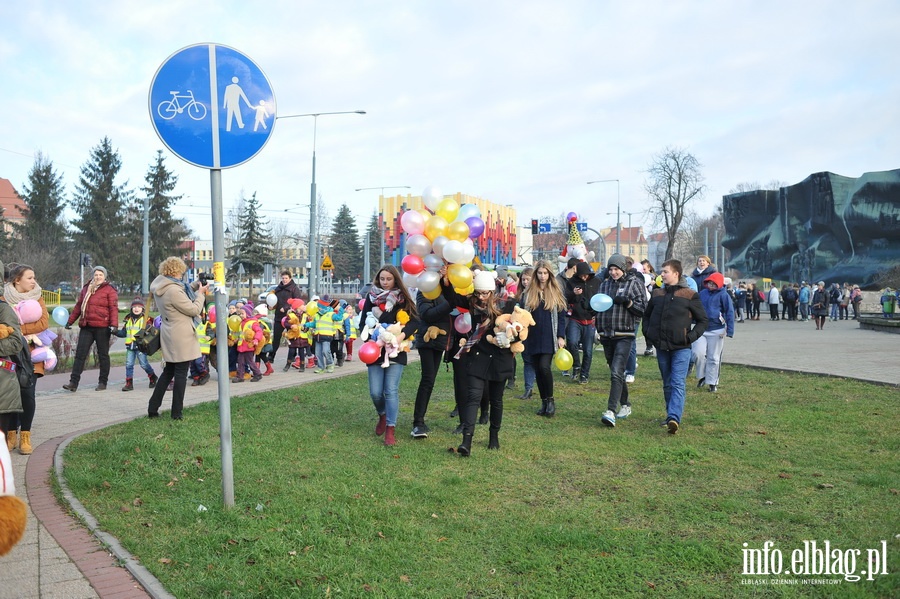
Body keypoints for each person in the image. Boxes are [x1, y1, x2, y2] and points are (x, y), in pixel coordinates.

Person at [442, 270, 517, 456]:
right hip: (478, 355)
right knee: (473, 397)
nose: (482, 297)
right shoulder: (471, 303)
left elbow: (520, 329)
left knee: (496, 399)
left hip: (500, 358)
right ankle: (466, 441)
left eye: (485, 293)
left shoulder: (507, 305)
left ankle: (494, 436)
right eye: (479, 293)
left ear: (493, 291)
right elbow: (452, 298)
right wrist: (446, 282)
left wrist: (510, 340)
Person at [642, 259, 708, 434]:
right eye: (662, 272)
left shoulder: (690, 295)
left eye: (665, 272)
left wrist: (690, 337)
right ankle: (670, 415)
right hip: (662, 347)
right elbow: (646, 316)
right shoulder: (657, 294)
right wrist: (649, 333)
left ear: (676, 274)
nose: (661, 274)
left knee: (678, 382)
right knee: (667, 384)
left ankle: (674, 418)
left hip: (682, 348)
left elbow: (703, 321)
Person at [357, 265, 418, 447]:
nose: (385, 282)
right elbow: (362, 323)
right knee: (376, 392)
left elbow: (415, 320)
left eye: (388, 279)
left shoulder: (402, 298)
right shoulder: (371, 296)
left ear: (395, 280)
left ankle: (390, 428)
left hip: (396, 349)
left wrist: (400, 336)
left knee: (390, 390)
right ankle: (382, 415)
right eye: (382, 279)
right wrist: (371, 335)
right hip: (375, 350)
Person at [146, 257, 209, 419]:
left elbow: (183, 289)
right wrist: (200, 294)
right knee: (181, 374)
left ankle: (152, 409)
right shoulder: (173, 291)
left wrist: (196, 284)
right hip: (181, 335)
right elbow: (193, 309)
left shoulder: (162, 285)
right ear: (175, 272)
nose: (182, 275)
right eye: (181, 272)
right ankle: (176, 413)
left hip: (170, 332)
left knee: (168, 372)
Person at [596, 254, 647, 427]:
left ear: (623, 268)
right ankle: (625, 404)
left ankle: (610, 410)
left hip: (624, 335)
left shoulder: (634, 284)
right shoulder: (604, 284)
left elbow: (643, 310)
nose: (613, 272)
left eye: (616, 269)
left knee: (617, 371)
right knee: (615, 372)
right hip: (606, 334)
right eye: (610, 269)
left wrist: (628, 303)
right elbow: (599, 307)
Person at [2, 263, 46, 455]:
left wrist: (18, 331)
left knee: (27, 394)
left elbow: (43, 323)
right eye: (29, 278)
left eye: (34, 277)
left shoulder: (38, 297)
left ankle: (25, 435)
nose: (33, 281)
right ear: (16, 280)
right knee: (11, 395)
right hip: (10, 356)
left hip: (33, 353)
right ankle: (11, 434)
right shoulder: (4, 299)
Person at [520, 260, 567, 417]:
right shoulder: (528, 293)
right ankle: (544, 401)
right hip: (532, 337)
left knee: (544, 367)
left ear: (549, 274)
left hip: (549, 336)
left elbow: (561, 316)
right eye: (540, 273)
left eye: (545, 273)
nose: (542, 276)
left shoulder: (555, 291)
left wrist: (561, 336)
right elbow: (522, 315)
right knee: (537, 370)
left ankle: (551, 400)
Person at [62, 266, 118, 392]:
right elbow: (78, 306)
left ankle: (103, 382)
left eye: (100, 275)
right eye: (96, 274)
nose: (98, 277)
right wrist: (70, 321)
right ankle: (73, 383)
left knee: (103, 355)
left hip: (102, 328)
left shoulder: (109, 290)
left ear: (105, 277)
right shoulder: (86, 289)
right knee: (80, 355)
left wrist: (114, 325)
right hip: (87, 326)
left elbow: (113, 308)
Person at [410, 289, 453, 439]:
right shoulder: (427, 288)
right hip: (427, 339)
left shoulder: (452, 288)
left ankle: (420, 420)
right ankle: (418, 423)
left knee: (431, 380)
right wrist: (450, 304)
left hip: (443, 339)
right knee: (427, 379)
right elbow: (426, 313)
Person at [693, 272, 735, 393]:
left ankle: (712, 382)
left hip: (717, 330)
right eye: (709, 283)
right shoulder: (702, 294)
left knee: (714, 358)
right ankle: (703, 375)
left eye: (713, 283)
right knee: (697, 353)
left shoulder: (724, 295)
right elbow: (695, 308)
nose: (710, 285)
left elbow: (729, 312)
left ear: (719, 284)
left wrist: (729, 330)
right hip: (701, 328)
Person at [563, 261, 600, 385]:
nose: (584, 277)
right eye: (581, 275)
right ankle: (576, 365)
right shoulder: (571, 282)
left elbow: (600, 299)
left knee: (588, 350)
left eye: (586, 275)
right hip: (575, 318)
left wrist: (595, 312)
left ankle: (584, 374)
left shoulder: (596, 282)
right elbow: (566, 298)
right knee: (572, 343)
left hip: (590, 320)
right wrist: (574, 294)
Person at [118, 297, 159, 392]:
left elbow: (149, 331)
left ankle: (152, 376)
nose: (136, 309)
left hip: (141, 347)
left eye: (139, 307)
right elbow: (124, 333)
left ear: (142, 309)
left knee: (144, 364)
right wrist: (115, 332)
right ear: (131, 308)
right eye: (134, 307)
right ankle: (129, 384)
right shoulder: (128, 319)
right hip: (130, 346)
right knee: (129, 364)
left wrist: (147, 329)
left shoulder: (145, 319)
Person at [514, 267, 535, 399]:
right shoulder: (521, 295)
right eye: (523, 280)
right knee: (527, 360)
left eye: (528, 279)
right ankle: (529, 388)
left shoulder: (538, 294)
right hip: (525, 331)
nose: (525, 282)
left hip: (536, 330)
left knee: (537, 361)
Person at [233, 306, 264, 382]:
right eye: (239, 314)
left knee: (250, 361)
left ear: (247, 313)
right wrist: (237, 339)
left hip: (249, 346)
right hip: (241, 346)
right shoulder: (241, 323)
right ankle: (240, 376)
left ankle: (257, 374)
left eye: (242, 313)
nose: (241, 315)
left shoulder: (252, 323)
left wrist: (256, 339)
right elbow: (241, 334)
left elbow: (259, 331)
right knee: (240, 361)